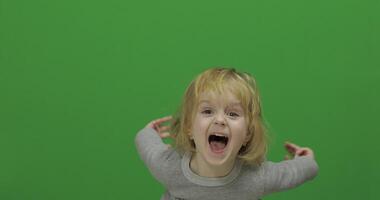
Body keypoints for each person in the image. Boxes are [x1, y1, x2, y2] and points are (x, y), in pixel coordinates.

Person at [135, 67, 319, 200]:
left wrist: (306, 161)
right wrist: (149, 132)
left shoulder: (255, 177)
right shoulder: (169, 167)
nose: (220, 120)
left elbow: (293, 173)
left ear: (247, 133)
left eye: (232, 114)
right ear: (189, 127)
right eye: (207, 111)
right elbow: (146, 145)